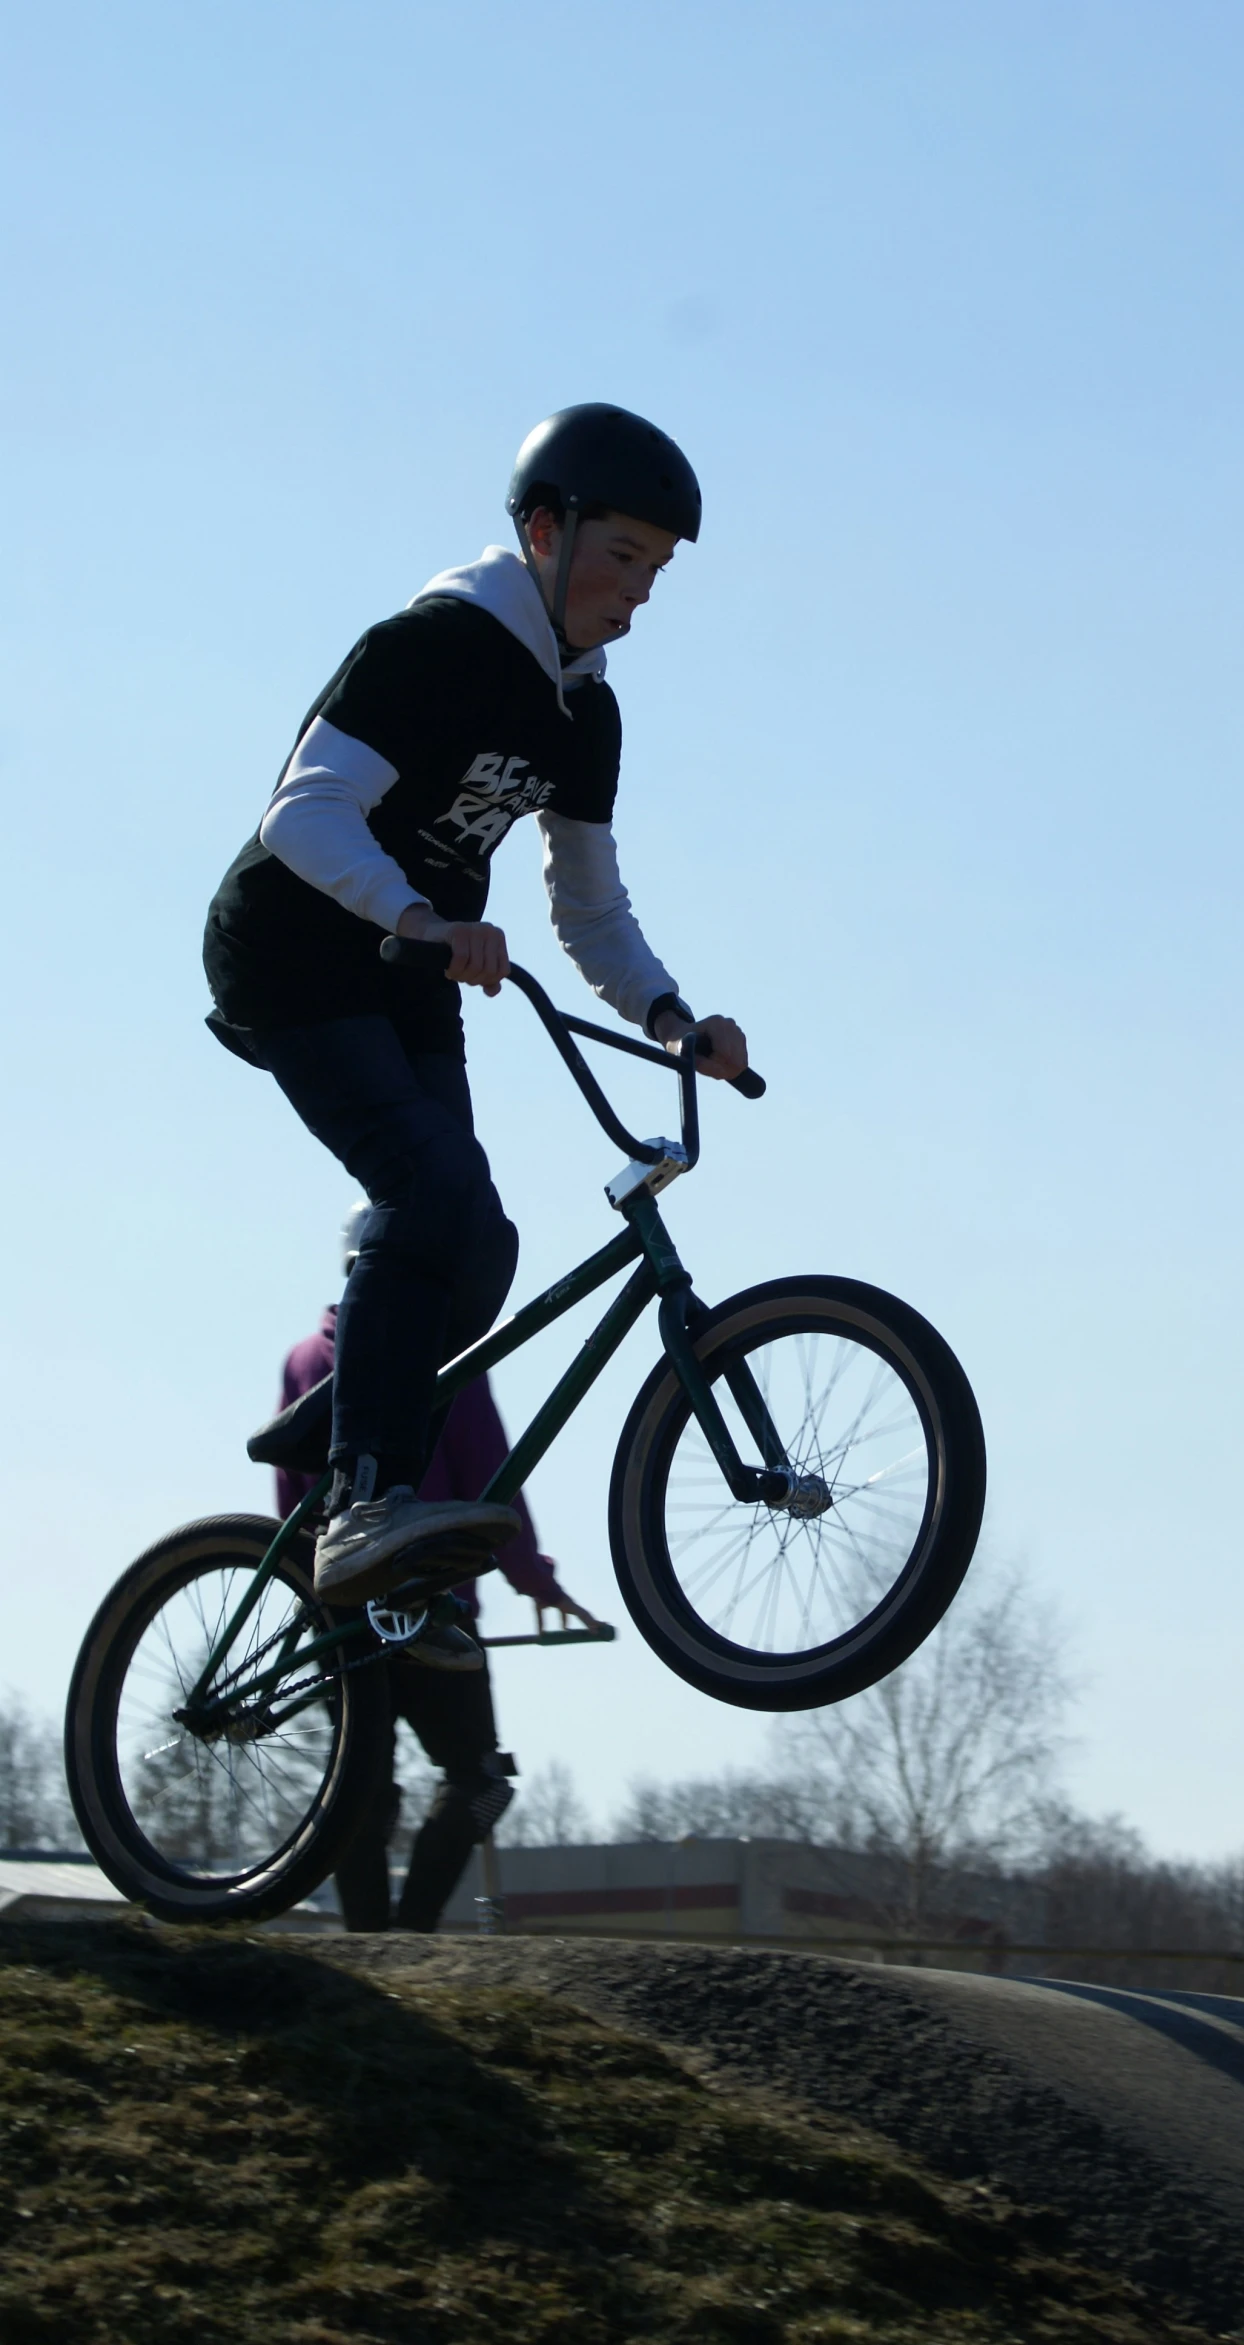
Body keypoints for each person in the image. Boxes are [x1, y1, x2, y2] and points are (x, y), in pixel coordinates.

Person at [205, 404, 749, 1608]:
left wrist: (671, 1018)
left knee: (481, 1243)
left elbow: (589, 909)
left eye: (659, 570)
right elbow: (300, 813)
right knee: (431, 1192)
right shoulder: (433, 645)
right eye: (622, 557)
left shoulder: (585, 710)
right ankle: (359, 1499)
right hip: (295, 954)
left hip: (408, 972)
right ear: (545, 531)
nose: (641, 592)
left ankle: (348, 1419)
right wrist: (417, 916)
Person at [274, 1202, 601, 1929]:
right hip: (431, 1604)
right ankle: (413, 1935)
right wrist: (536, 1580)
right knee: (479, 1781)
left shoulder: (304, 1359)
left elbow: (291, 1501)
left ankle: (367, 1938)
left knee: (359, 1782)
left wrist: (311, 1605)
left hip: (339, 1605)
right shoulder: (444, 1356)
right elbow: (491, 1475)